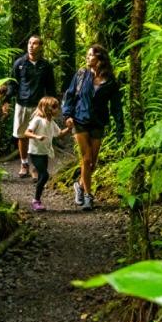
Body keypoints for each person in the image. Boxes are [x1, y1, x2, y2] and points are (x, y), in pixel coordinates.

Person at [62, 44, 123, 210]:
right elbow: (69, 95)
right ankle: (89, 196)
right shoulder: (81, 75)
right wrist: (67, 115)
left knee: (92, 163)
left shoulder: (110, 81)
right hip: (80, 120)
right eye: (87, 55)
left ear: (100, 58)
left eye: (91, 55)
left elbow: (116, 106)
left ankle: (79, 185)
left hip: (98, 122)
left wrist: (120, 128)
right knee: (86, 159)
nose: (87, 57)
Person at [10, 36, 57, 178]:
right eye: (29, 43)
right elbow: (13, 84)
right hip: (22, 104)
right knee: (22, 135)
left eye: (35, 43)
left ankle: (36, 167)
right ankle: (24, 164)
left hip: (39, 107)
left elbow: (51, 88)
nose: (31, 46)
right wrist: (6, 101)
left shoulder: (46, 66)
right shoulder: (19, 63)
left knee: (38, 136)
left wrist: (52, 106)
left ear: (40, 46)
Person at [23, 96, 70, 211]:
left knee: (42, 176)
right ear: (47, 108)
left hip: (44, 152)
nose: (57, 110)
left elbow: (58, 134)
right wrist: (37, 136)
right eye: (55, 108)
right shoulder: (38, 120)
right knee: (45, 175)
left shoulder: (51, 122)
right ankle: (36, 201)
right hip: (35, 152)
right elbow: (26, 133)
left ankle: (37, 199)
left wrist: (69, 128)